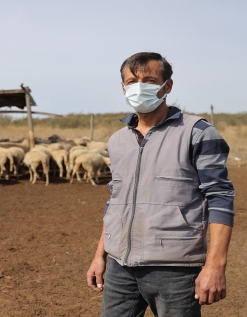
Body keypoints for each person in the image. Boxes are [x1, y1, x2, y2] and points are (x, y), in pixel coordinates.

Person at [86, 52, 234, 317]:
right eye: (131, 81)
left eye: (149, 79)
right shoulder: (117, 141)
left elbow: (220, 198)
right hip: (121, 269)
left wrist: (215, 265)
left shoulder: (196, 132)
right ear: (123, 88)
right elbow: (115, 201)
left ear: (167, 86)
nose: (139, 87)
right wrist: (101, 254)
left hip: (175, 270)